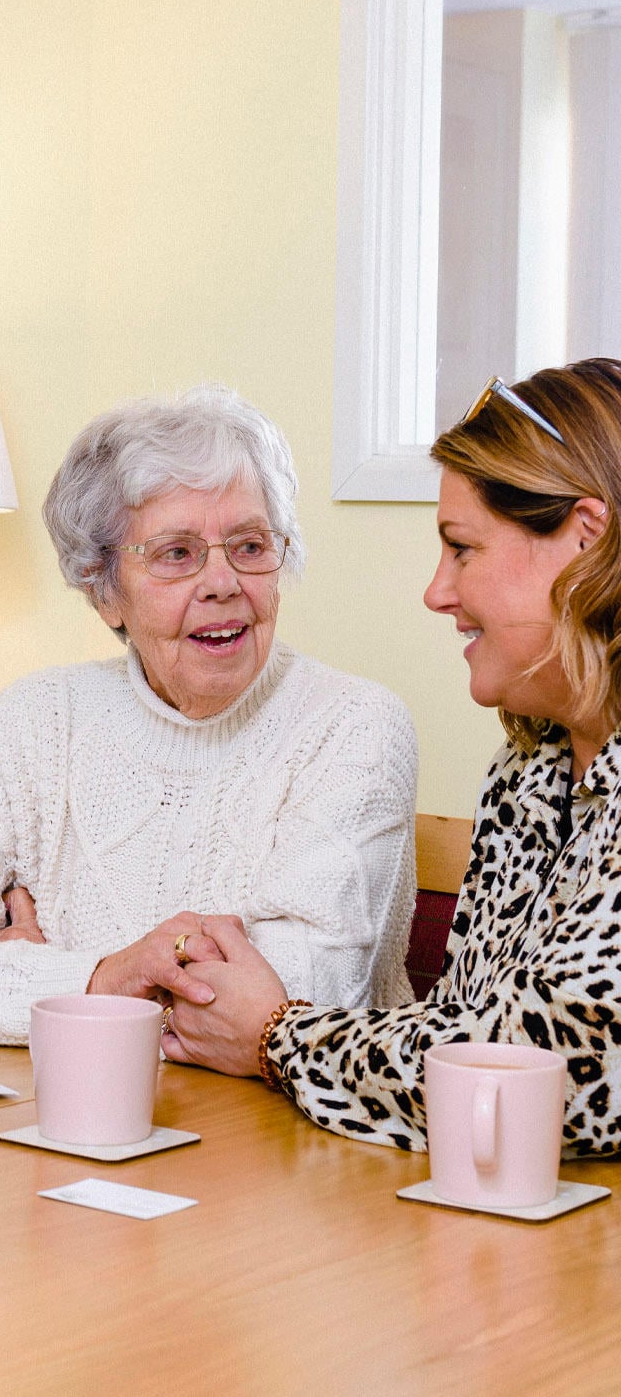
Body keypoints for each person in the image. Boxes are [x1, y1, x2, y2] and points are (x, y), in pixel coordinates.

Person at [0, 385, 418, 1043]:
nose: (223, 583)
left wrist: (28, 980)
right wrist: (96, 980)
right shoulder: (38, 720)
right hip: (49, 1102)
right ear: (104, 590)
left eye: (250, 546)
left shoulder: (355, 727)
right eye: (177, 554)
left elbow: (289, 1014)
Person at [164, 358, 621, 1158]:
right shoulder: (529, 770)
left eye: (462, 549)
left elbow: (551, 1082)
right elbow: (461, 1032)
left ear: (584, 539)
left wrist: (276, 1035)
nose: (436, 592)